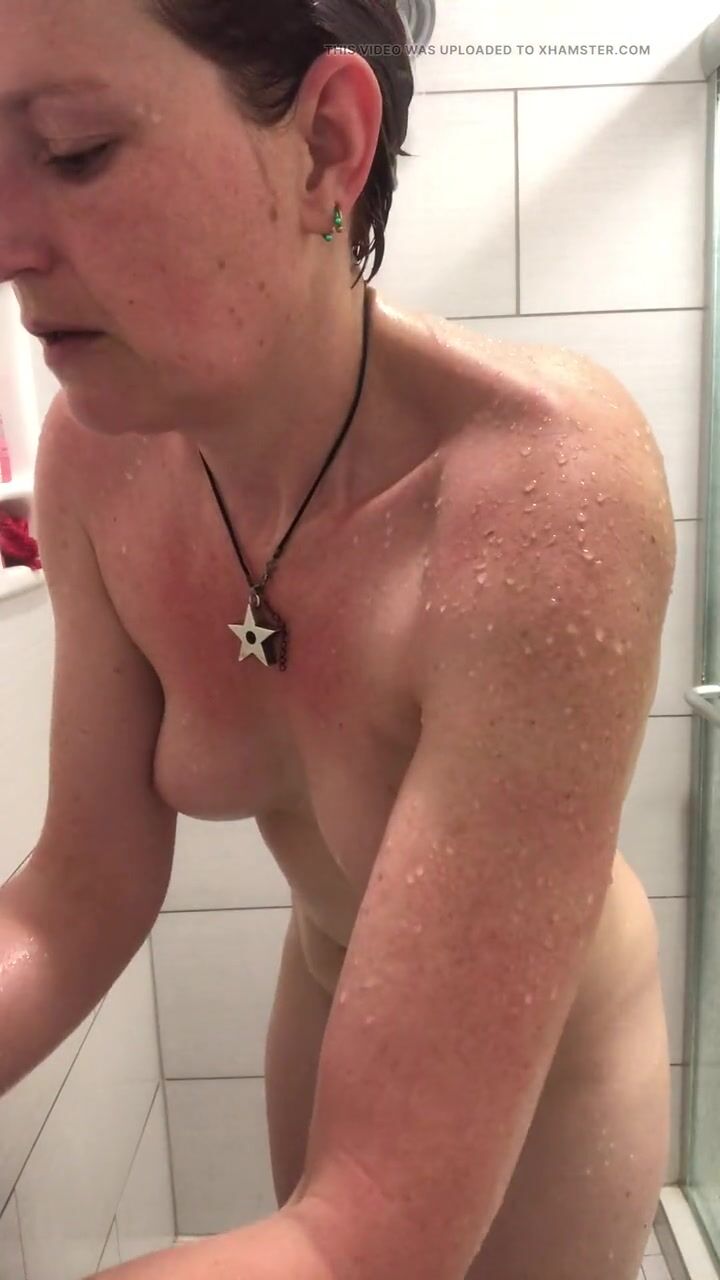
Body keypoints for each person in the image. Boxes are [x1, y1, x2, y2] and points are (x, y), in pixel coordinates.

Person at [0, 2, 677, 1279]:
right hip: (328, 994)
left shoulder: (541, 488)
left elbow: (370, 1231)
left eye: (76, 150)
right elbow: (78, 892)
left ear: (325, 144)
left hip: (547, 1074)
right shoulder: (98, 461)